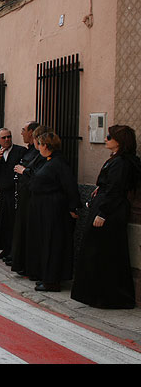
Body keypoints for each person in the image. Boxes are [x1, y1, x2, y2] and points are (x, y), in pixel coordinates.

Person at [71, 125, 141, 308]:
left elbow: (115, 190)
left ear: (120, 140)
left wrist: (103, 213)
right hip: (105, 207)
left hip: (111, 212)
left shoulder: (122, 163)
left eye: (109, 136)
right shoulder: (117, 160)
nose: (106, 139)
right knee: (97, 252)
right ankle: (96, 295)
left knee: (104, 252)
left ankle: (107, 297)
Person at [28, 131, 80, 292]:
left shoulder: (58, 163)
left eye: (40, 144)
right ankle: (46, 276)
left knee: (53, 243)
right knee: (45, 242)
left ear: (46, 146)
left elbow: (69, 186)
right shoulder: (47, 161)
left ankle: (52, 280)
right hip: (44, 208)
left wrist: (73, 207)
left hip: (54, 209)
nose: (38, 147)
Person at [0, 128, 26, 265]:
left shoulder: (20, 151)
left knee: (12, 222)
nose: (7, 139)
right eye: (4, 138)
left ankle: (13, 251)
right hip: (1, 190)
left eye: (9, 137)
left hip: (13, 191)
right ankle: (5, 248)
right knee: (3, 221)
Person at [10, 121, 43, 275]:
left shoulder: (39, 155)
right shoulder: (29, 151)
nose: (21, 133)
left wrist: (24, 171)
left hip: (31, 199)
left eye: (24, 130)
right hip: (23, 196)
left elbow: (37, 175)